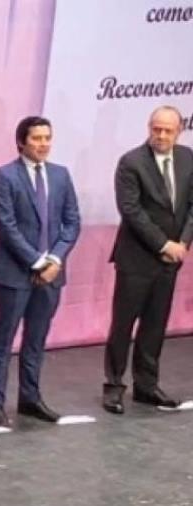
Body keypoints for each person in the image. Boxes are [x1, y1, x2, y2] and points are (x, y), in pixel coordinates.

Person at [0, 116, 81, 426]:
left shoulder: (61, 175)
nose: (43, 144)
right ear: (21, 142)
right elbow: (7, 227)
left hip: (52, 274)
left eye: (47, 137)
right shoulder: (4, 176)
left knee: (36, 338)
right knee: (3, 337)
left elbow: (72, 222)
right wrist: (38, 262)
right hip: (13, 272)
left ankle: (30, 398)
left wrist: (55, 260)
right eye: (36, 138)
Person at [103, 105, 193, 414]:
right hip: (136, 259)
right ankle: (114, 386)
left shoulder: (187, 158)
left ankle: (146, 386)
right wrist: (163, 244)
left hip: (171, 260)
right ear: (149, 128)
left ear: (179, 130)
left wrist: (182, 242)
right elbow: (132, 211)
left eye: (168, 130)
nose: (162, 135)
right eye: (157, 129)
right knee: (123, 325)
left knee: (155, 325)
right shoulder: (131, 163)